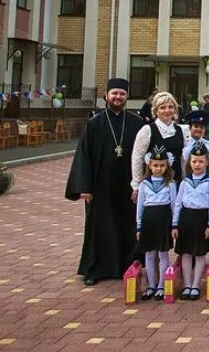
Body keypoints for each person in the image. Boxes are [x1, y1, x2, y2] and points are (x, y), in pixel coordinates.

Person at [65, 77, 146, 286]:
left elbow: (146, 157)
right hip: (101, 186)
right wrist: (85, 187)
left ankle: (127, 266)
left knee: (128, 225)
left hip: (129, 185)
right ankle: (95, 269)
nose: (118, 97)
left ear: (127, 97)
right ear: (106, 96)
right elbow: (83, 155)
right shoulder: (94, 123)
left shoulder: (137, 123)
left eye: (122, 94)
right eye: (114, 94)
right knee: (99, 227)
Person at [172, 142, 209, 301]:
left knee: (199, 254)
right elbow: (178, 204)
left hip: (201, 219)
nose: (197, 165)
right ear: (189, 163)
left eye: (200, 161)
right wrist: (175, 224)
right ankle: (186, 284)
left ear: (206, 162)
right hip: (186, 218)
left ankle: (196, 285)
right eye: (194, 161)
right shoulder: (185, 182)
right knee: (185, 253)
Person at [135, 146, 177, 300]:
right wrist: (139, 226)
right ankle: (151, 285)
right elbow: (140, 207)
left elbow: (174, 206)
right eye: (155, 165)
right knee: (150, 254)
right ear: (149, 165)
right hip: (148, 220)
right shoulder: (144, 184)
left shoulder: (171, 184)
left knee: (163, 253)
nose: (158, 168)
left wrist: (174, 225)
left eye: (162, 165)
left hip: (164, 220)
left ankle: (162, 285)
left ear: (167, 166)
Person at [131, 92, 190, 190]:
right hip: (153, 186)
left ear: (175, 109)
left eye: (170, 107)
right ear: (156, 111)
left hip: (176, 183)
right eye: (162, 107)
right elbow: (137, 158)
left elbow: (183, 160)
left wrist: (185, 181)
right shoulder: (147, 130)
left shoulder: (181, 131)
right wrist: (136, 185)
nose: (167, 110)